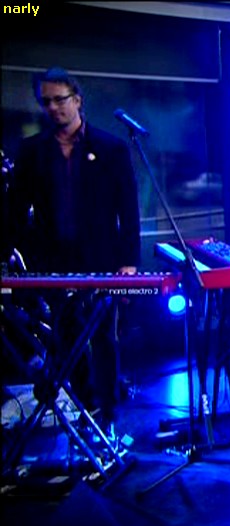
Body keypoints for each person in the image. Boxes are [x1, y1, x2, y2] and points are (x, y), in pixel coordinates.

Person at [7, 67, 141, 430]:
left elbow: (128, 210)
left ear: (77, 100)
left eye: (59, 99)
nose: (53, 108)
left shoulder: (111, 148)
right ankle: (86, 409)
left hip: (101, 260)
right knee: (66, 338)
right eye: (46, 102)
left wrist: (129, 262)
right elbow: (15, 212)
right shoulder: (32, 151)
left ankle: (108, 416)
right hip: (54, 262)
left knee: (103, 337)